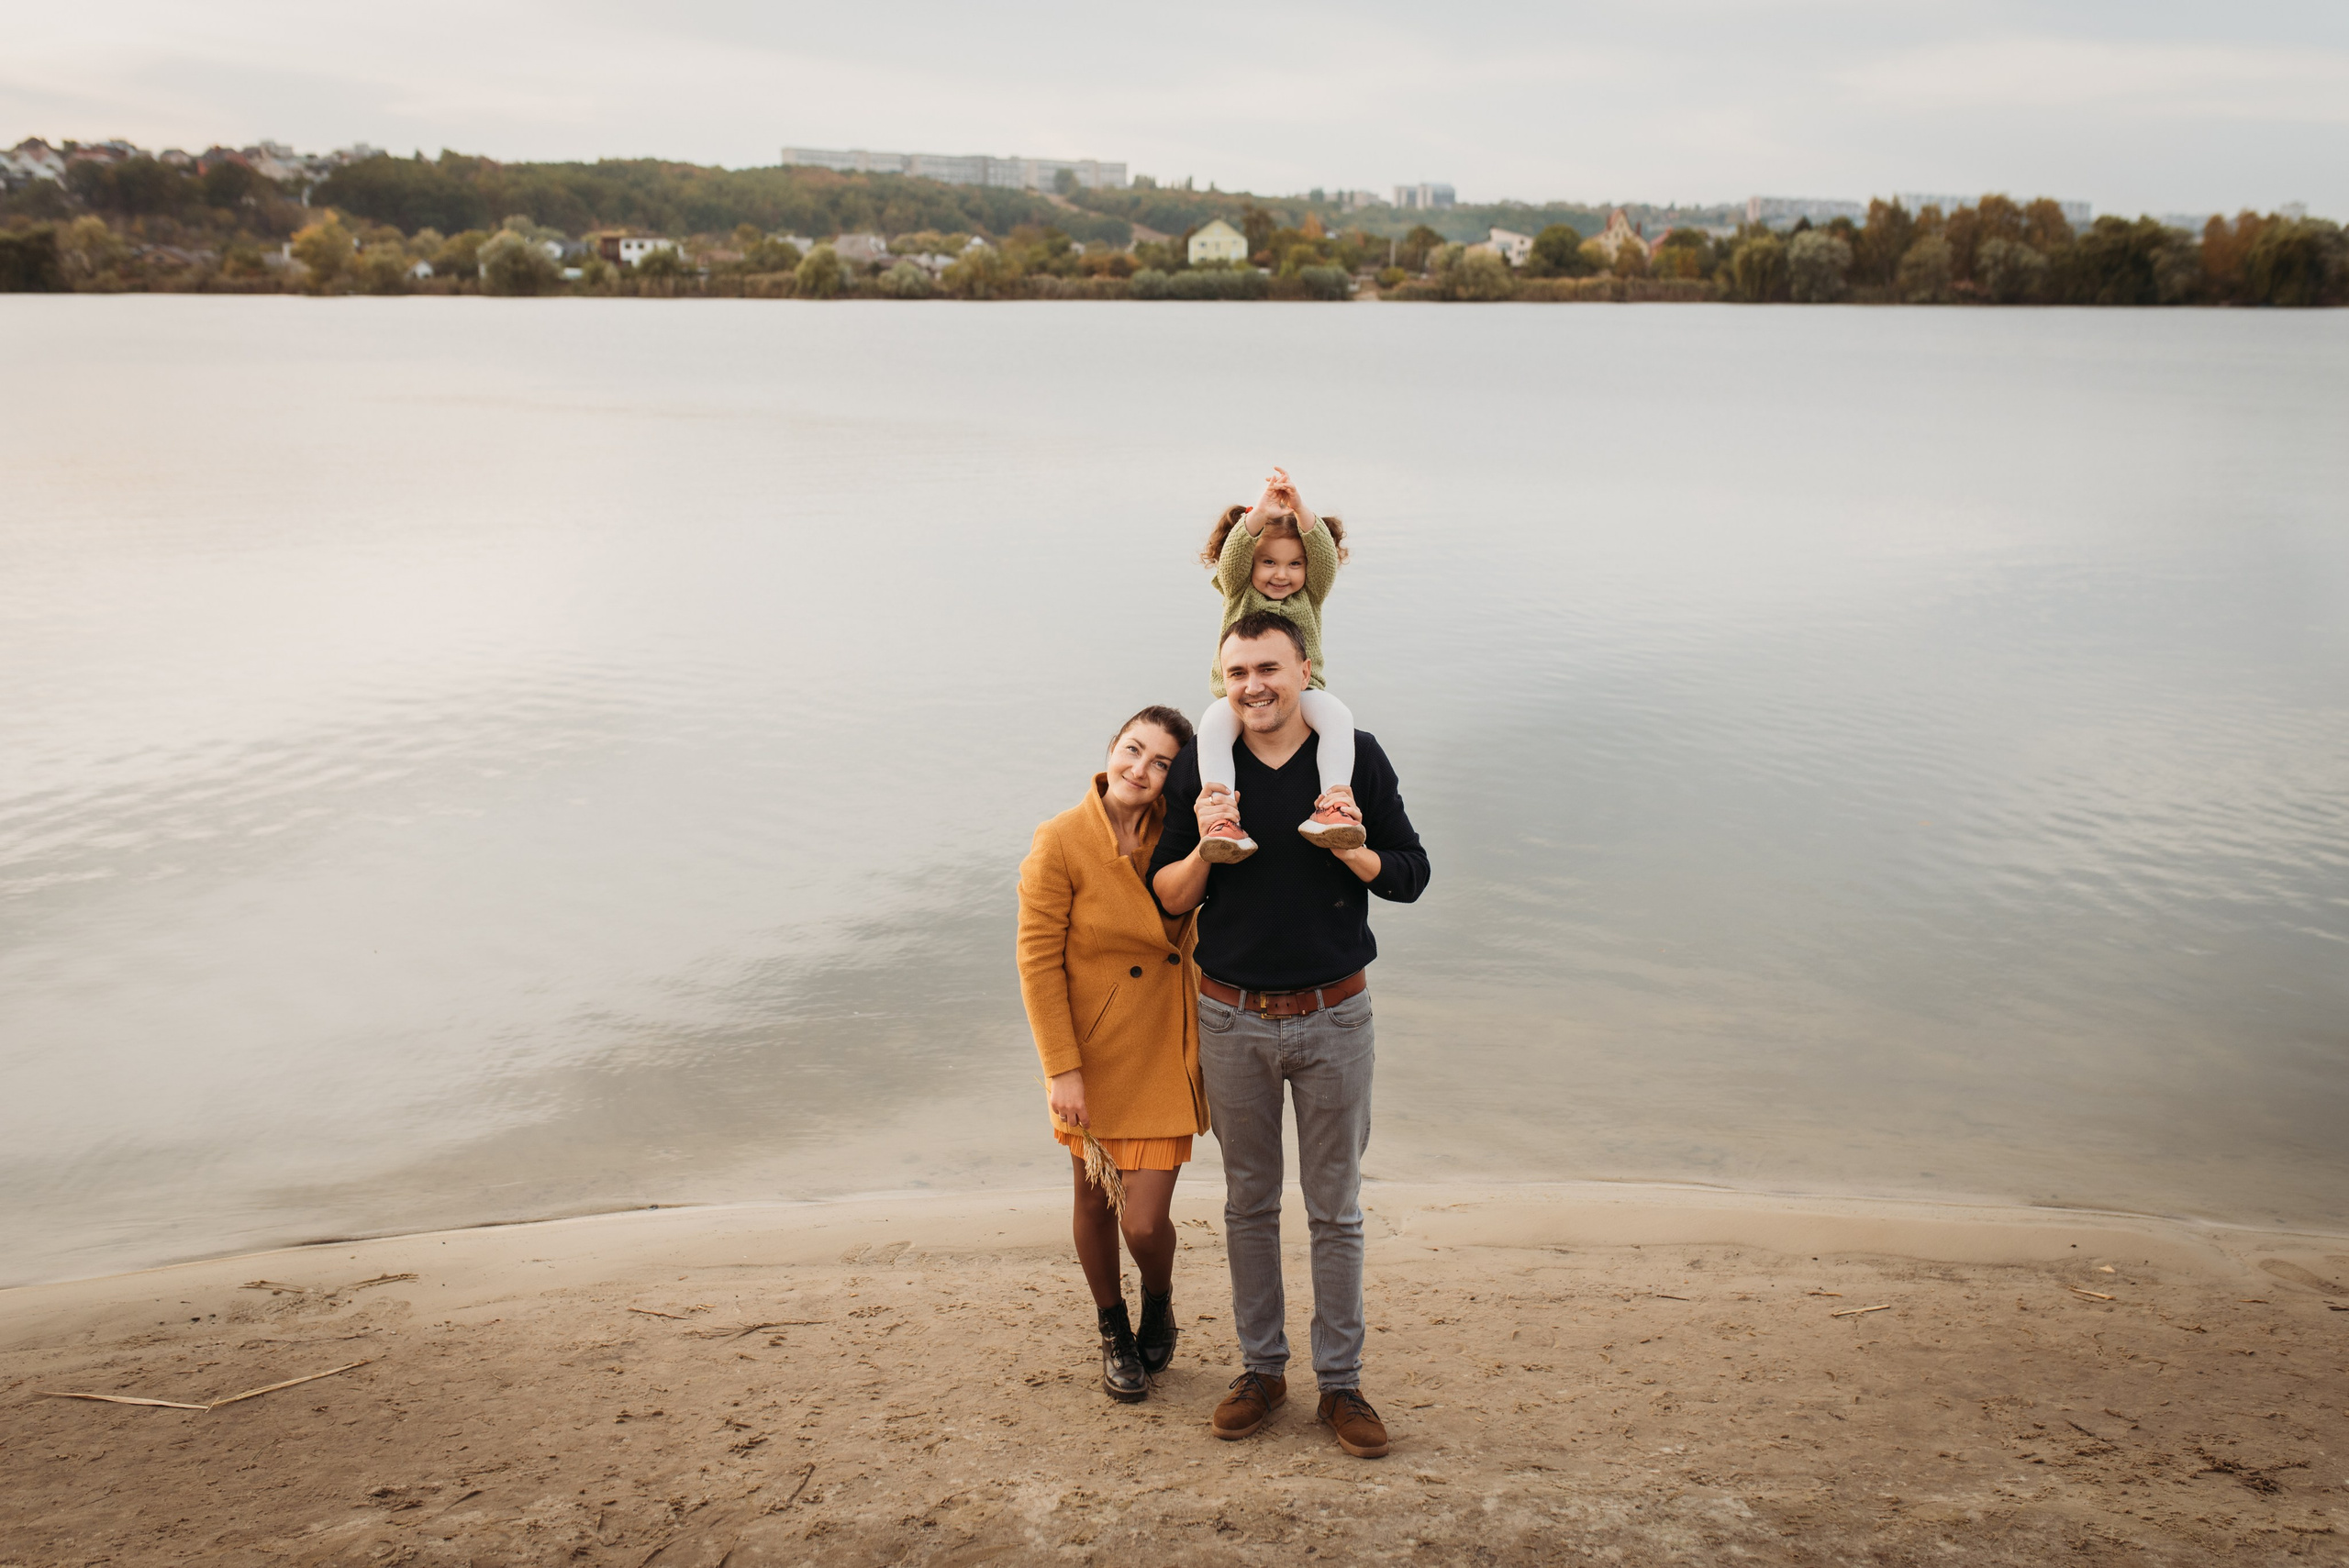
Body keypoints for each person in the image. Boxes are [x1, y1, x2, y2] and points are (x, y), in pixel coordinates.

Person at [1151, 610, 1430, 1459]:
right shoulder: (1205, 766)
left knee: (1335, 1208)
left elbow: (1411, 874)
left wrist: (1351, 848)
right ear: (1223, 680)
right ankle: (1262, 1371)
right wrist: (1206, 850)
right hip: (1230, 1014)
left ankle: (1340, 1383)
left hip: (1336, 1014)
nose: (1254, 686)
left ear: (1304, 669)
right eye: (1238, 672)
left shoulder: (1356, 757)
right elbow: (1168, 894)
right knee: (1249, 1203)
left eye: (1268, 668)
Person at [1016, 706, 1212, 1403]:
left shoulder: (1177, 831)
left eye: (1161, 762)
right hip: (1093, 1054)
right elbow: (1037, 962)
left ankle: (1158, 1298)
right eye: (1133, 749)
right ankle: (1113, 1329)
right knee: (1095, 1204)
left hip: (1164, 1044)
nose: (1141, 769)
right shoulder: (1061, 839)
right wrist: (1061, 1069)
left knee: (1145, 1221)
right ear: (1111, 749)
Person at [1193, 467, 1361, 864]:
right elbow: (1232, 558)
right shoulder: (1238, 591)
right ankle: (1222, 820)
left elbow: (1324, 558)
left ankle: (1334, 806)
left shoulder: (1311, 594)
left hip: (1302, 694)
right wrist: (1260, 514)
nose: (1282, 574)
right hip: (1237, 699)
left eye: (1294, 564)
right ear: (1251, 564)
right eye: (1268, 562)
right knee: (1213, 724)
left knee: (1338, 716)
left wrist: (1301, 509)